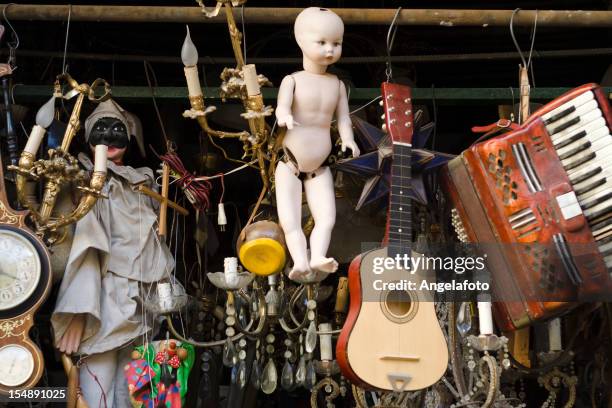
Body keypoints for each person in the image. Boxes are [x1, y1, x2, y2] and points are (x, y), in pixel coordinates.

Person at [51, 99, 174, 407]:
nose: (109, 136)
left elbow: (154, 242)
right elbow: (82, 246)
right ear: (89, 137)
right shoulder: (80, 182)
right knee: (97, 394)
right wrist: (79, 312)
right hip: (101, 302)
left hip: (140, 303)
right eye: (101, 129)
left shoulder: (142, 182)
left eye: (118, 129)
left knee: (131, 396)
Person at [275, 7, 360, 280]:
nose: (329, 50)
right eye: (321, 42)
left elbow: (344, 119)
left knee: (327, 218)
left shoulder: (337, 85)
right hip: (290, 162)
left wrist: (348, 139)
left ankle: (318, 256)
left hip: (320, 166)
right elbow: (280, 109)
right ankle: (300, 261)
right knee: (290, 221)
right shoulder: (292, 81)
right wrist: (285, 116)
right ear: (301, 41)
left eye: (336, 44)